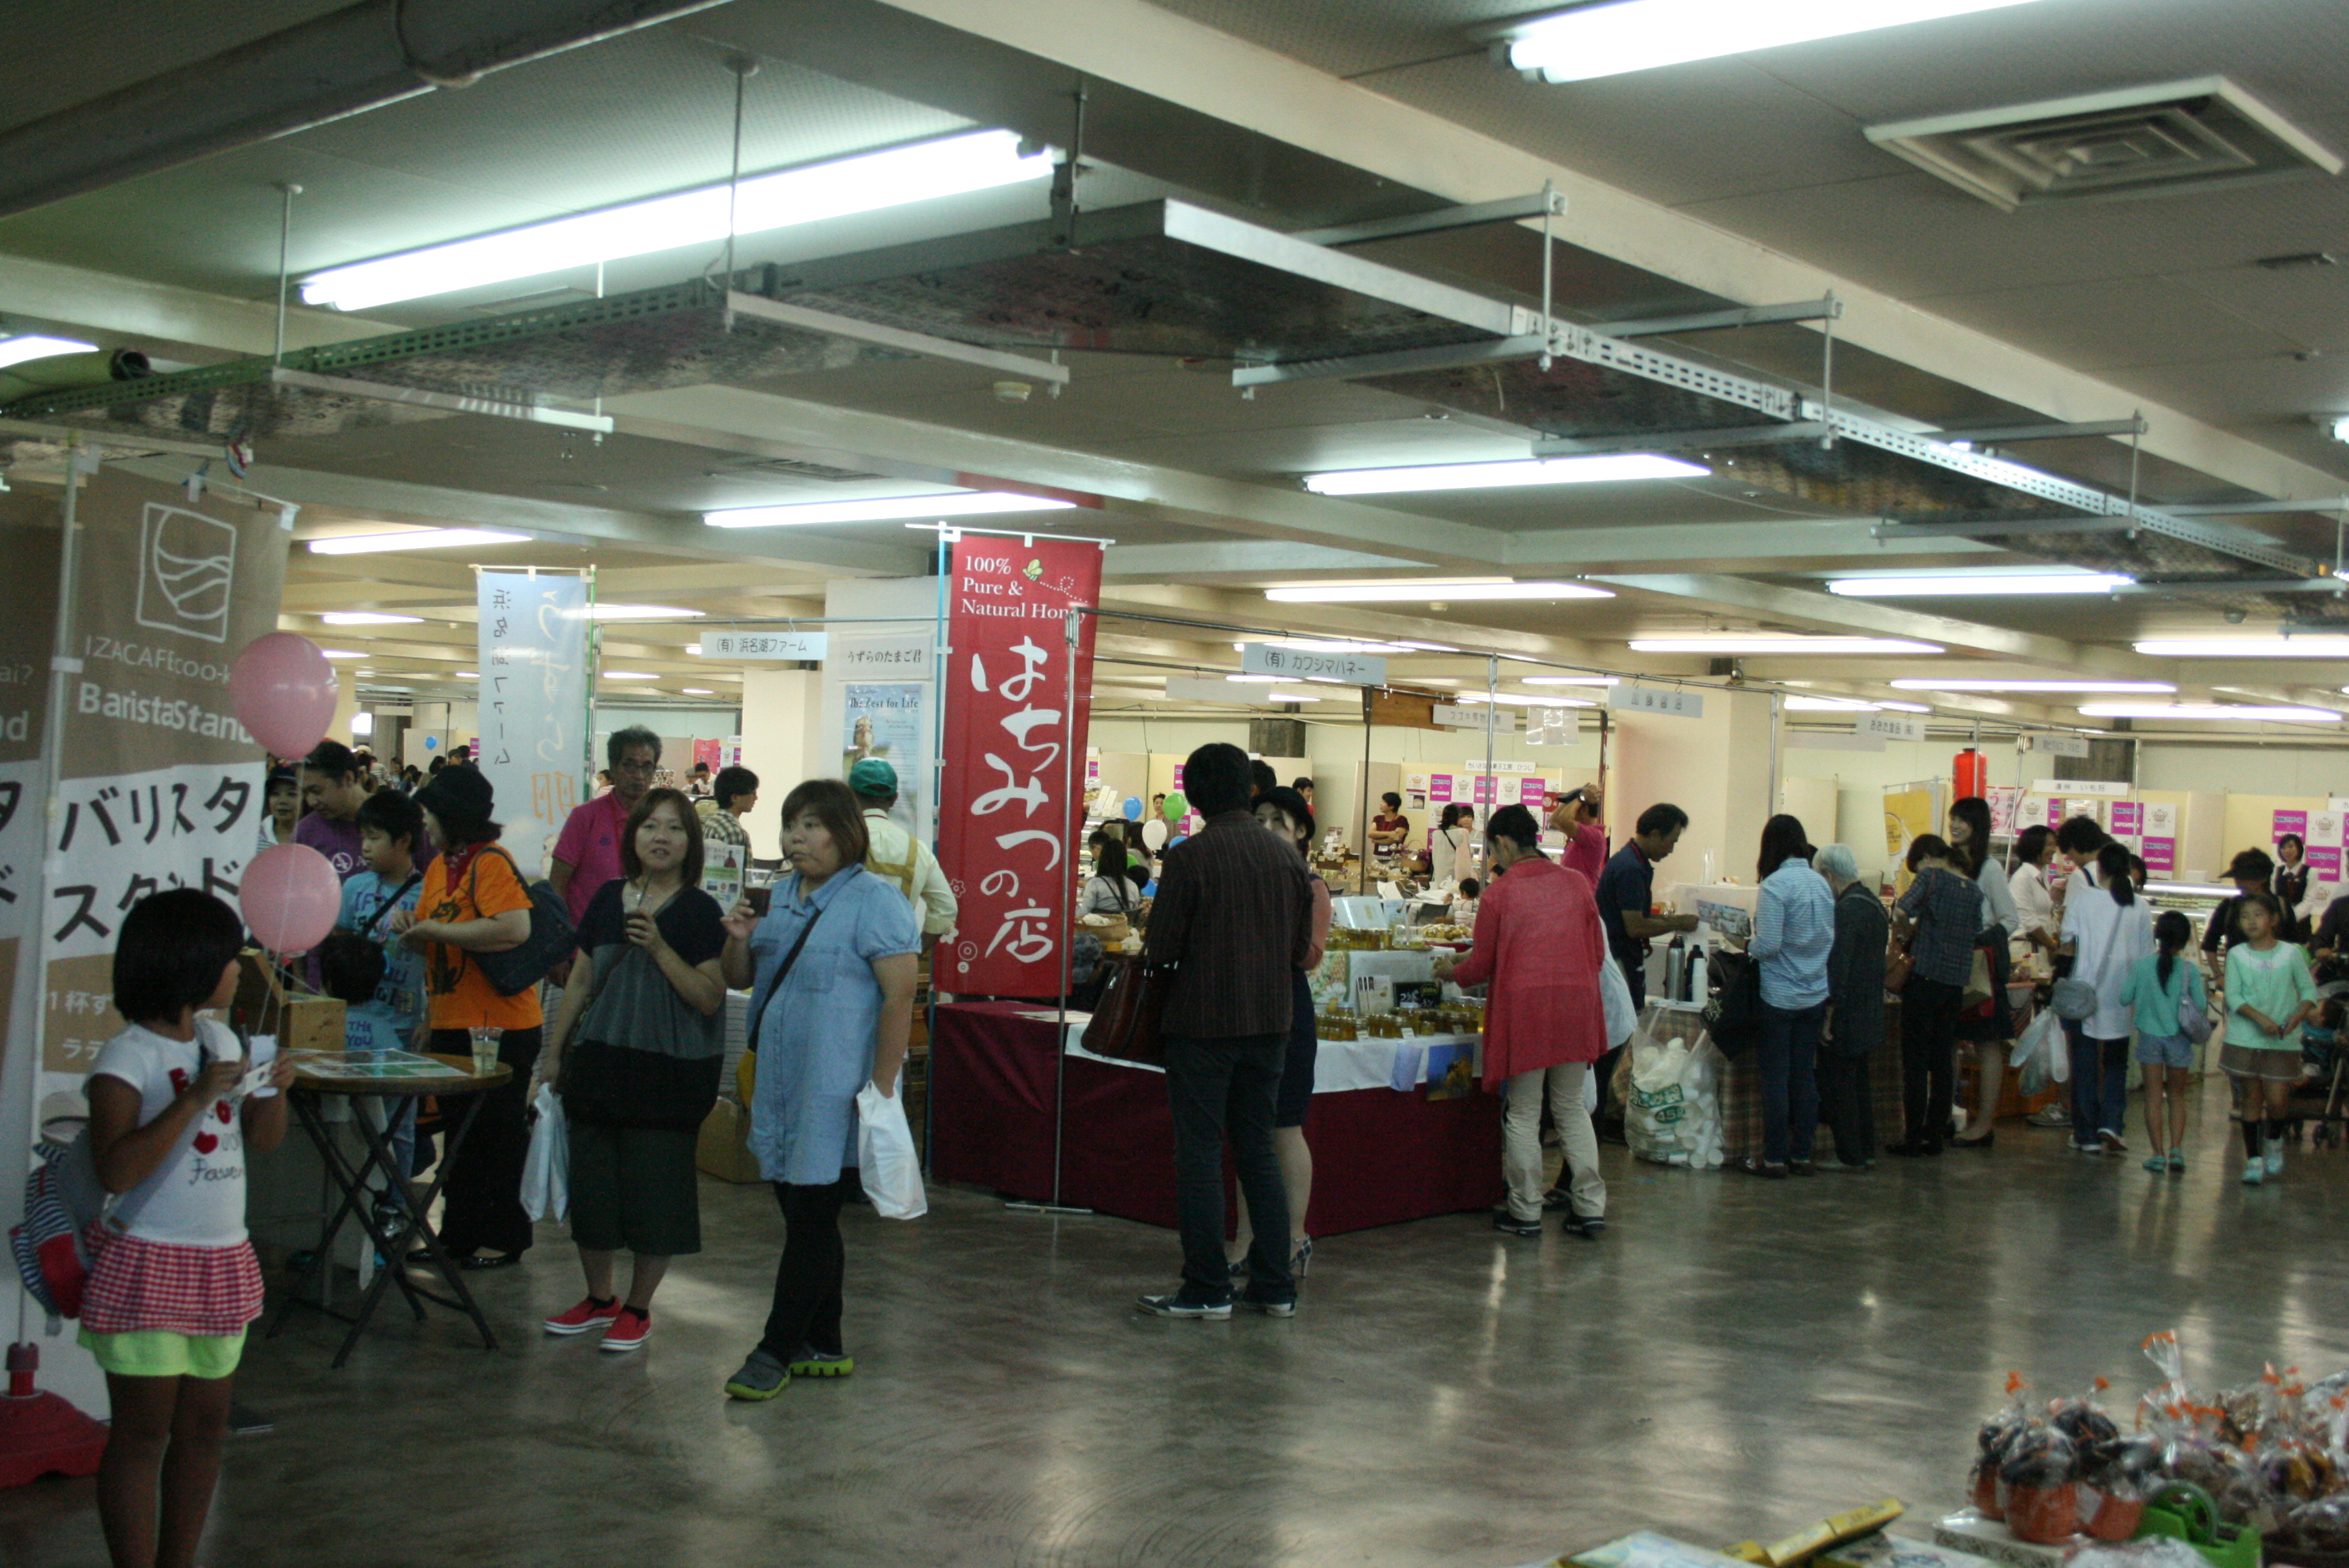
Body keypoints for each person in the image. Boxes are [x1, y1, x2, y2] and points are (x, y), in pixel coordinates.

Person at [83, 889, 295, 1568]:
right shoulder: (127, 1057)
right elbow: (117, 1170)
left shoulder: (221, 1040)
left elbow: (263, 1139)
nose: (239, 968)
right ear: (190, 962)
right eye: (231, 956)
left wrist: (275, 1090)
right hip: (148, 1264)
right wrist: (197, 1096)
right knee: (142, 1436)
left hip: (221, 1263)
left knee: (204, 1431)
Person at [718, 779, 918, 1398]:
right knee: (805, 1216)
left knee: (810, 1218)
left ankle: (775, 1348)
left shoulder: (875, 901)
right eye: (790, 825)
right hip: (779, 1082)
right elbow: (740, 977)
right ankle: (825, 1340)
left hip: (834, 1090)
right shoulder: (775, 896)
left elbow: (899, 997)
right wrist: (737, 938)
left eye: (811, 826)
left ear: (844, 833)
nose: (795, 838)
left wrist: (882, 1087)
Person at [538, 788, 729, 1354]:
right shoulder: (606, 897)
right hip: (599, 1060)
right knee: (592, 1189)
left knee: (655, 1193)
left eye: (674, 828)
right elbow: (581, 979)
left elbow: (709, 997)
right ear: (633, 836)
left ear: (691, 842)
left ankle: (639, 1308)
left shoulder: (700, 910)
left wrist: (661, 948)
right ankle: (599, 1298)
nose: (660, 838)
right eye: (650, 826)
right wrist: (554, 1054)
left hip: (667, 1073)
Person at [1134, 743, 1312, 1320]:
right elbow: (1298, 951)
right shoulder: (1288, 860)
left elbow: (1161, 948)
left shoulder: (1190, 858)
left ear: (1195, 795)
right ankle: (1274, 1284)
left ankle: (1207, 1286)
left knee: (1201, 1154)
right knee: (1257, 1151)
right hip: (1272, 1024)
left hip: (1203, 1025)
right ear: (1247, 790)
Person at [1437, 803, 1611, 1237]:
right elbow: (1597, 954)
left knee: (1524, 1112)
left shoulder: (1501, 894)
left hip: (1526, 1011)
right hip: (1576, 1006)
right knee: (1571, 1107)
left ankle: (1526, 1210)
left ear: (1504, 843)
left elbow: (1481, 966)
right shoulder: (1576, 883)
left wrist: (1450, 972)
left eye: (1492, 848)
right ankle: (1590, 1207)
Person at [396, 766, 542, 1269]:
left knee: (496, 1136)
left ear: (452, 816)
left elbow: (514, 928)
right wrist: (414, 926)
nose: (425, 824)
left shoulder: (491, 862)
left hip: (500, 1026)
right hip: (452, 1019)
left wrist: (437, 932)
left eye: (430, 815)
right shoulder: (441, 867)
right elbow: (434, 927)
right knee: (459, 1136)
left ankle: (504, 1238)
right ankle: (458, 1237)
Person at [1226, 786, 1330, 1278]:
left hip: (1288, 1011)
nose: (1266, 829)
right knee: (1248, 1129)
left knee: (1283, 1126)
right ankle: (1245, 1241)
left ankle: (1293, 1238)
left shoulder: (1311, 886)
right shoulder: (1245, 877)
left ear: (1301, 831)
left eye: (1278, 821)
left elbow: (1310, 957)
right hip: (1243, 1009)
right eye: (1260, 819)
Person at [323, 788, 430, 1207]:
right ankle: (347, 1205)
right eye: (362, 837)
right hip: (353, 1025)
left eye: (374, 838)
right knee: (344, 1120)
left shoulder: (428, 894)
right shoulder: (354, 888)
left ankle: (396, 1205)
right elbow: (337, 949)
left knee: (398, 1125)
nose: (364, 847)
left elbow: (440, 964)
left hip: (402, 1028)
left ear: (404, 840)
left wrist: (430, 1020)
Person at [1592, 803, 1700, 1133]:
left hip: (1622, 956)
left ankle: (1604, 1114)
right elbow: (1635, 926)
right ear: (1654, 834)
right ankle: (1602, 1117)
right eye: (1671, 841)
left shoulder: (1632, 861)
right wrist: (1678, 922)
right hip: (1618, 960)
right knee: (1619, 1040)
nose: (1672, 849)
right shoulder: (1630, 868)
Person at [1740, 815, 1831, 1179]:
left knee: (1776, 1078)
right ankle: (1802, 1154)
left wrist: (1743, 944)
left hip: (1779, 995)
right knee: (1804, 1075)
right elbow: (1828, 938)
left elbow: (1769, 945)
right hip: (1814, 993)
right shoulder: (1821, 883)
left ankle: (1774, 1157)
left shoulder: (1775, 886)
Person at [1888, 834, 1983, 1158]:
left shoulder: (1931, 877)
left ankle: (1912, 1137)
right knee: (1943, 1061)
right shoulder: (1974, 890)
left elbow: (1901, 910)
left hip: (1924, 978)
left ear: (1927, 858)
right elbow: (1977, 930)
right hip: (1954, 985)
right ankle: (1934, 1137)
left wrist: (1907, 930)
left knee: (1915, 1061)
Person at [2060, 841, 2154, 1157]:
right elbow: (2146, 956)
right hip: (2122, 996)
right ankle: (2112, 1123)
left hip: (2084, 992)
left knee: (2084, 1064)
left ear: (2099, 869)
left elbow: (2066, 943)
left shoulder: (2083, 899)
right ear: (2127, 870)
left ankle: (2086, 1134)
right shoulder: (2139, 905)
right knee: (2116, 1063)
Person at [2223, 891, 2318, 1185]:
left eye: (2258, 915)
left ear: (2274, 919)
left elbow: (2309, 991)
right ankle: (2253, 1159)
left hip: (2282, 1040)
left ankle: (2274, 1138)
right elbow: (2232, 996)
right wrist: (2260, 1019)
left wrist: (2297, 1016)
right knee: (2251, 1098)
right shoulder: (2237, 954)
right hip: (2245, 1038)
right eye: (2244, 916)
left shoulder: (2291, 953)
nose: (2250, 921)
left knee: (2277, 1100)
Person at [1948, 796, 2021, 1152]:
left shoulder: (1989, 869)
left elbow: (2010, 918)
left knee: (1987, 1043)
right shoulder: (1947, 863)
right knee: (1949, 1041)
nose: (1955, 825)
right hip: (1949, 963)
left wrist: (1981, 939)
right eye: (1953, 818)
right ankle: (1948, 1115)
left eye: (1962, 820)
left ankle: (1984, 1124)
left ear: (1977, 826)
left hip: (1981, 967)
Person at [2119, 909, 2206, 1175]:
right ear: (2186, 940)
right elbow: (2201, 1004)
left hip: (2149, 1038)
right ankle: (2176, 1150)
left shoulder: (2141, 966)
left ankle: (2157, 1155)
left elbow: (2124, 998)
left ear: (2157, 935)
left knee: (2153, 1098)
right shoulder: (2190, 970)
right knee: (2177, 1096)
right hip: (2179, 1039)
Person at [1816, 844, 1886, 1169]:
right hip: (1870, 1008)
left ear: (1829, 875)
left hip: (1847, 1011)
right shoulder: (1874, 904)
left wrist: (1829, 1014)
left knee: (1839, 1087)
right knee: (1859, 1087)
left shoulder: (1845, 911)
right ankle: (1865, 1151)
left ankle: (1849, 1155)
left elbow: (1838, 968)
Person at [552, 726, 661, 929]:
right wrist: (562, 936)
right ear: (613, 767)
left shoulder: (660, 820)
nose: (639, 775)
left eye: (647, 767)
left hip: (642, 936)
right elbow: (557, 883)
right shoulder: (585, 817)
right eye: (630, 766)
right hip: (586, 939)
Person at [847, 759, 956, 952]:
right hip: (895, 960)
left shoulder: (836, 842)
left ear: (850, 796)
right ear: (894, 798)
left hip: (839, 960)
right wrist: (914, 952)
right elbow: (946, 909)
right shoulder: (918, 850)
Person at [297, 740, 376, 879]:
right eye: (305, 793)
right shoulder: (306, 833)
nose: (311, 802)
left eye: (317, 791)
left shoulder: (396, 817)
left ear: (348, 778)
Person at [2202, 847, 2276, 962]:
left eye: (2244, 878)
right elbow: (2209, 943)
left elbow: (2294, 946)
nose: (2239, 883)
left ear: (2262, 878)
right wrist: (2218, 972)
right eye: (2237, 878)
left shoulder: (2281, 905)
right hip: (2237, 971)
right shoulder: (2229, 906)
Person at [2007, 824, 2061, 957]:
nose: (2054, 850)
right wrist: (2053, 946)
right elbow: (2029, 922)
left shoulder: (2042, 875)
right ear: (2035, 846)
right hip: (2025, 949)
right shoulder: (2022, 877)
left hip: (2040, 947)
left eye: (2054, 845)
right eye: (2049, 845)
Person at [1549, 784, 1607, 887]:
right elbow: (1554, 820)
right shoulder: (1579, 834)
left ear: (1584, 810)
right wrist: (1572, 798)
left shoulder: (1594, 836)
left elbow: (1563, 820)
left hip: (1584, 895)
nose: (1570, 813)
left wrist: (1580, 798)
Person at [700, 764, 759, 856]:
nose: (756, 798)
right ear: (735, 797)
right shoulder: (733, 832)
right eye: (753, 793)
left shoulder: (710, 822)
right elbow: (735, 865)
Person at [1080, 838, 1142, 919]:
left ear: (1102, 858)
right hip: (1123, 926)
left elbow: (1083, 913)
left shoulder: (1094, 884)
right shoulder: (1133, 886)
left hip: (1098, 926)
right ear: (1124, 859)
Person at [1429, 802, 1475, 887]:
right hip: (1455, 877)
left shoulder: (1436, 833)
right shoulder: (1462, 832)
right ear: (1458, 817)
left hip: (1439, 876)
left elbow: (1435, 855)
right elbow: (1467, 855)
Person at [2276, 833, 2311, 940]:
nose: (2287, 851)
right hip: (2280, 925)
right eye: (2283, 847)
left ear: (2299, 848)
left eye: (2291, 846)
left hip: (2301, 924)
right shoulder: (2277, 871)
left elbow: (2308, 901)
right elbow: (2273, 896)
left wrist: (2290, 918)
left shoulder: (2310, 872)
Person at [258, 764, 300, 850]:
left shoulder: (317, 836)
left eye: (292, 794)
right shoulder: (255, 836)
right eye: (275, 794)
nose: (282, 801)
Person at [1368, 792, 1410, 866]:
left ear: (1391, 806)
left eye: (1384, 802)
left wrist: (1377, 840)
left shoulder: (1402, 820)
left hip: (1394, 858)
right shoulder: (1378, 818)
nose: (1381, 804)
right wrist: (1389, 834)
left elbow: (1395, 838)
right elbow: (1370, 833)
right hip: (1378, 857)